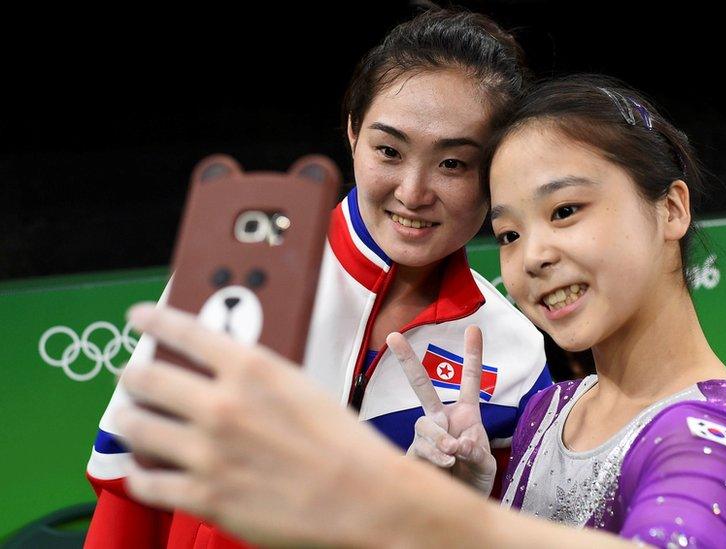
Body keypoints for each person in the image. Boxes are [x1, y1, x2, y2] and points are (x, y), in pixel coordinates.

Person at [113, 74, 726, 548]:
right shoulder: (550, 412)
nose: (534, 256)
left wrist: (413, 507)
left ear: (671, 208)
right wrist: (468, 491)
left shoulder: (713, 440)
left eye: (566, 210)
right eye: (509, 232)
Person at [84, 9, 551, 548]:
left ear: (498, 170)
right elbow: (131, 499)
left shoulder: (513, 355)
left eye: (453, 164)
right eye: (389, 151)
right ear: (353, 133)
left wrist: (450, 509)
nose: (413, 191)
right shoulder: (239, 277)